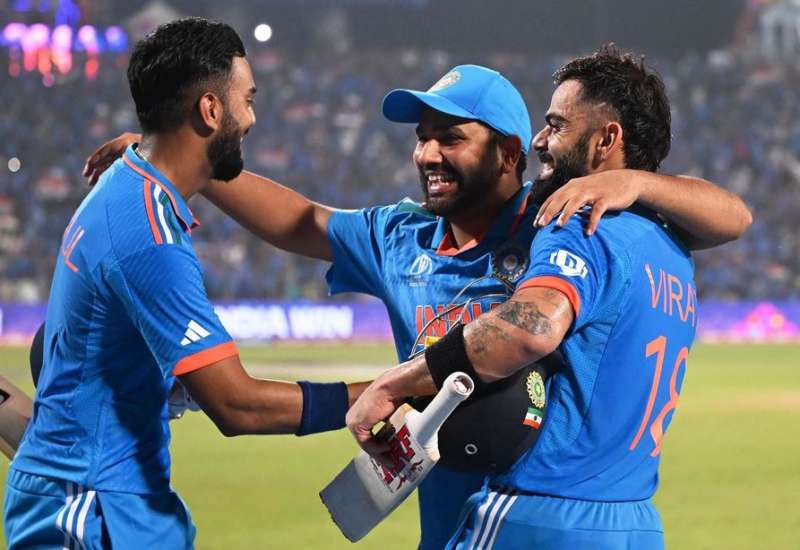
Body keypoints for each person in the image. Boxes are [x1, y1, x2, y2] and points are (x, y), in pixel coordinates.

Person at [85, 61, 751, 549]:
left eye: (449, 137)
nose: (427, 153)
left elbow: (731, 215)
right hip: (456, 520)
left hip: (520, 510)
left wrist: (631, 181)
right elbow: (300, 220)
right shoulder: (399, 236)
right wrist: (192, 168)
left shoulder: (558, 217)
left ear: (509, 153)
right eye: (422, 136)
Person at [346, 45, 739, 549]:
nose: (540, 140)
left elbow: (530, 328)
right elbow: (736, 216)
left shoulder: (576, 219)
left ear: (606, 140)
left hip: (541, 512)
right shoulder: (673, 245)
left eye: (556, 125)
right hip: (634, 520)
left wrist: (396, 382)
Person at [4, 18, 367, 550]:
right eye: (247, 100)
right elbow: (238, 405)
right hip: (94, 513)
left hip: (114, 501)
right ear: (210, 109)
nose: (252, 118)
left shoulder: (124, 182)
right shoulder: (147, 233)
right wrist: (376, 395)